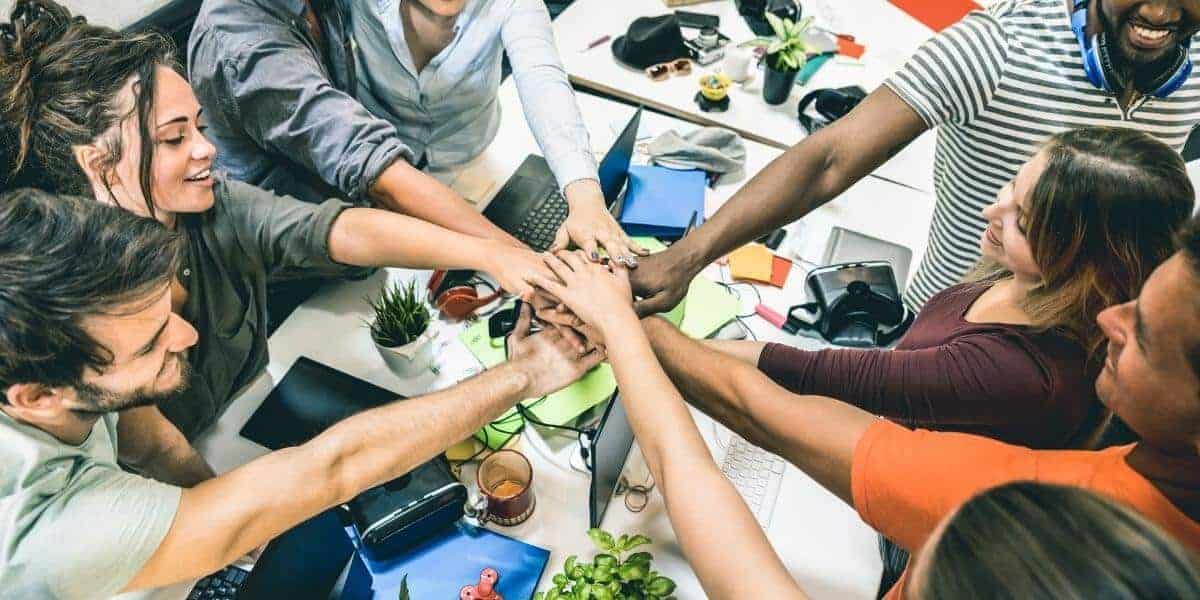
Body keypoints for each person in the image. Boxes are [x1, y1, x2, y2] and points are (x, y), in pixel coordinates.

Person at [0, 0, 569, 480]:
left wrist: (494, 254)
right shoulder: (83, 301)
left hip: (248, 417)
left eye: (199, 127)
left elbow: (339, 230)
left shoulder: (211, 204)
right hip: (169, 494)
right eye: (175, 139)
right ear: (96, 163)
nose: (207, 149)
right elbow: (153, 449)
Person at [529, 208, 1200, 596]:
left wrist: (622, 326)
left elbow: (705, 484)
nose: (1112, 317)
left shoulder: (1047, 522)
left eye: (1143, 334)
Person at [0, 187, 603, 599]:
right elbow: (333, 468)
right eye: (151, 343)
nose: (186, 337)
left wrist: (226, 516)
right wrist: (526, 374)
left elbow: (151, 439)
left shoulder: (68, 373)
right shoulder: (47, 528)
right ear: (36, 398)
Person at [629, 0, 1200, 315]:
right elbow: (830, 157)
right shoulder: (992, 48)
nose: (1159, 8)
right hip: (960, 320)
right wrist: (689, 256)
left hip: (1092, 344)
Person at [707, 127, 1192, 450]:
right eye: (1011, 189)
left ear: (1087, 261)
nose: (991, 213)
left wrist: (661, 345)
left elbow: (820, 374)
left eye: (1022, 221)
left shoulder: (1024, 372)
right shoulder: (1030, 277)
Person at [187, 0, 646, 264]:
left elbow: (542, 77)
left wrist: (585, 198)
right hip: (296, 255)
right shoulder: (243, 45)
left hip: (409, 197)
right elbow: (368, 162)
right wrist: (522, 262)